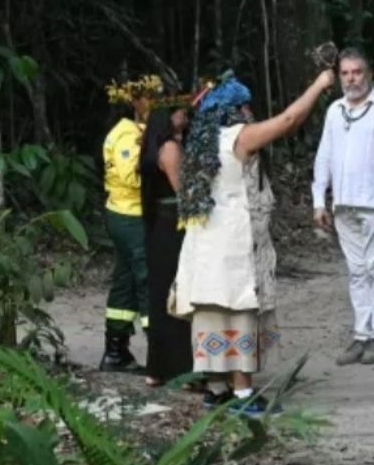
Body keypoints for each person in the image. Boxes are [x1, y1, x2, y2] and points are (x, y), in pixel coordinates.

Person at [173, 69, 335, 415]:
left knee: (214, 314)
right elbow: (288, 119)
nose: (251, 112)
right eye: (246, 106)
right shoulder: (237, 137)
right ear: (235, 109)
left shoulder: (204, 139)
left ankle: (216, 389)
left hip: (207, 247)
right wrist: (319, 84)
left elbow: (286, 126)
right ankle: (243, 394)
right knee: (239, 312)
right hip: (232, 245)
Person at [312, 49, 374, 366]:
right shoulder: (334, 111)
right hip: (344, 204)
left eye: (357, 72)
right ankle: (361, 333)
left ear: (369, 74)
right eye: (346, 73)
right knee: (356, 271)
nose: (352, 78)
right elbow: (324, 157)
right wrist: (319, 200)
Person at [98, 74, 161, 373]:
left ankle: (115, 350)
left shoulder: (136, 130)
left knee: (125, 280)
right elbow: (131, 175)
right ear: (136, 102)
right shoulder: (125, 135)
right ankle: (161, 353)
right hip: (129, 214)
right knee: (148, 278)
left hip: (126, 213)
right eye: (151, 97)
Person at [139, 104, 195, 388]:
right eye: (180, 112)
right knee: (176, 296)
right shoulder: (170, 149)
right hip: (172, 225)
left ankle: (157, 368)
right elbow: (183, 191)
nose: (185, 115)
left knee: (160, 295)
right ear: (168, 118)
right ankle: (180, 370)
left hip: (158, 226)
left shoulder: (154, 146)